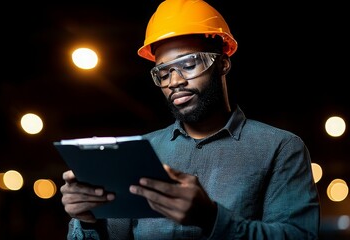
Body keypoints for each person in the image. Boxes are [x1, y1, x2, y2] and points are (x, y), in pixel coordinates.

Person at [60, 0, 321, 239]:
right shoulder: (141, 151)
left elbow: (299, 236)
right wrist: (86, 221)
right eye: (163, 72)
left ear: (223, 64)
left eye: (189, 64)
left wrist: (211, 218)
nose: (175, 81)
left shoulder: (279, 148)